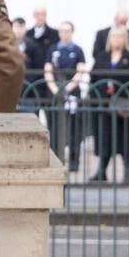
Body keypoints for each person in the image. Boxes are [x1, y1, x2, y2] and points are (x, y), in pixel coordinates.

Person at [88, 27, 129, 183]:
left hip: (125, 105)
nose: (116, 40)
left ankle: (127, 173)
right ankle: (102, 171)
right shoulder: (102, 57)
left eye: (119, 37)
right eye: (113, 37)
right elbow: (93, 79)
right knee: (104, 138)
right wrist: (95, 98)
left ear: (125, 39)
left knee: (126, 139)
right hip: (104, 105)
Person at [44, 21, 86, 174]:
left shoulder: (78, 50)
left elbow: (80, 71)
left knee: (74, 128)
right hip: (55, 93)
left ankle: (74, 161)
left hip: (72, 93)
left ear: (72, 32)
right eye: (62, 31)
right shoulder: (52, 49)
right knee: (54, 126)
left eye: (67, 31)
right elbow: (47, 70)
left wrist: (67, 89)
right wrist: (55, 89)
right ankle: (56, 158)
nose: (65, 34)